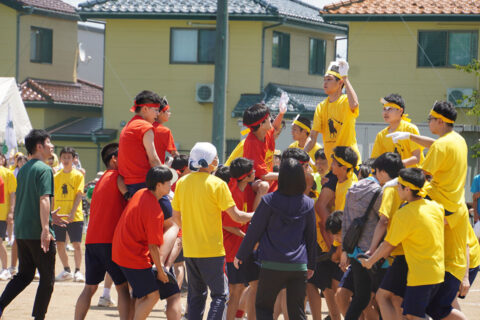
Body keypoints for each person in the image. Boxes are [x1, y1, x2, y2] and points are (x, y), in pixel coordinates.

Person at [389, 101, 469, 320]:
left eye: (430, 119)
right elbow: (434, 144)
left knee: (404, 207)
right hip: (452, 204)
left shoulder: (442, 146)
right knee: (436, 310)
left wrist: (393, 179)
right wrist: (409, 137)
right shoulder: (457, 140)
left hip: (438, 202)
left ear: (440, 121)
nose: (428, 122)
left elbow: (419, 176)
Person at [171, 142, 253, 320]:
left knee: (196, 295)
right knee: (220, 294)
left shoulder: (182, 183)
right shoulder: (217, 184)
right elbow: (237, 217)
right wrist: (258, 214)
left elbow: (176, 217)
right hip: (212, 250)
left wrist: (190, 229)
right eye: (215, 157)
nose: (217, 160)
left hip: (191, 248)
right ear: (207, 162)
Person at [235, 158, 316, 319]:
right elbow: (311, 238)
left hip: (271, 264)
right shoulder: (308, 204)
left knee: (264, 307)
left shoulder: (268, 201)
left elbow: (254, 231)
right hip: (298, 266)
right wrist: (311, 265)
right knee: (297, 311)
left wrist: (241, 255)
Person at [361, 168, 445, 320]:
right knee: (409, 314)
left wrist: (369, 262)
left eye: (399, 185)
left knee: (413, 316)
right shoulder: (436, 207)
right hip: (437, 271)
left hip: (421, 274)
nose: (396, 188)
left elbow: (388, 245)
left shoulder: (404, 214)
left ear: (407, 189)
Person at [0, 129, 65, 320]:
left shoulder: (24, 169)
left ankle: (1, 305)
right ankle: (39, 317)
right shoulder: (44, 169)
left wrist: (49, 217)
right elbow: (44, 198)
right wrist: (46, 228)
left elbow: (28, 201)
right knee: (47, 279)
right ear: (39, 146)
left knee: (25, 274)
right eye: (49, 142)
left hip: (22, 231)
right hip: (38, 233)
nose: (52, 146)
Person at [74, 143, 132, 320]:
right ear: (114, 159)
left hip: (92, 241)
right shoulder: (117, 177)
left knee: (90, 288)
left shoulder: (100, 181)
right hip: (109, 241)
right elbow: (129, 198)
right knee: (122, 287)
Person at [112, 166, 177, 320]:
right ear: (159, 185)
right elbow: (153, 246)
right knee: (153, 295)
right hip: (132, 256)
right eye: (168, 182)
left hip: (120, 251)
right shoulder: (155, 210)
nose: (170, 185)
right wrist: (161, 272)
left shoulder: (141, 193)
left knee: (141, 296)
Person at [366, 153, 405, 320]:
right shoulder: (408, 183)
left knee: (382, 296)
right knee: (397, 299)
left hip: (397, 249)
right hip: (412, 248)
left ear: (382, 171)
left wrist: (372, 249)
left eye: (376, 172)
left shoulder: (390, 187)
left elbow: (383, 220)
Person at [222, 157, 261, 320]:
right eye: (251, 171)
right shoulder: (233, 192)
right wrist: (247, 238)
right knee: (235, 289)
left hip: (243, 247)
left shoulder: (246, 189)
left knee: (252, 285)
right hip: (233, 249)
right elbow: (227, 225)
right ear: (245, 176)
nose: (254, 172)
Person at [305, 59, 360, 164]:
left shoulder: (345, 101)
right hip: (333, 164)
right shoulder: (321, 107)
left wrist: (345, 78)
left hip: (349, 163)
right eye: (324, 80)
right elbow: (312, 137)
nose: (325, 83)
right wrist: (303, 154)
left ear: (340, 83)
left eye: (329, 79)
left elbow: (354, 104)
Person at [53, 147, 85, 282]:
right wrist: (52, 213)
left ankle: (78, 271)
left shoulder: (78, 175)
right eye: (64, 157)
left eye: (69, 157)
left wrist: (72, 212)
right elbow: (52, 196)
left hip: (75, 216)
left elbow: (79, 195)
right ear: (60, 159)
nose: (66, 160)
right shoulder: (55, 176)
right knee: (60, 244)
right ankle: (67, 270)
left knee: (77, 244)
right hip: (59, 216)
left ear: (73, 159)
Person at [242, 99, 287, 194]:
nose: (271, 119)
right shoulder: (252, 143)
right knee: (264, 186)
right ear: (261, 124)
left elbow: (274, 127)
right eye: (268, 118)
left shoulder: (264, 132)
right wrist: (288, 174)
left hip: (265, 178)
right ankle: (257, 210)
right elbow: (263, 176)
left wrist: (281, 113)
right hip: (252, 182)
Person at [371, 94, 424, 167]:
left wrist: (396, 165)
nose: (385, 112)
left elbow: (417, 158)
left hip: (412, 176)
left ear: (400, 111)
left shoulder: (410, 129)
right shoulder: (381, 135)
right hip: (392, 177)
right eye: (384, 109)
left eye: (389, 108)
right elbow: (375, 160)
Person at [0, 162, 16, 280]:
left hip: (1, 214)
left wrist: (11, 211)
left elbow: (12, 194)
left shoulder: (7, 173)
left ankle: (5, 269)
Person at [331, 146, 358, 211]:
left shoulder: (349, 189)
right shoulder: (344, 178)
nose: (331, 165)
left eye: (334, 163)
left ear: (344, 168)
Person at [153, 96, 179, 164]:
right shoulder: (164, 131)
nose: (169, 114)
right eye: (168, 111)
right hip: (156, 170)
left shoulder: (143, 126)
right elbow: (174, 154)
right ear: (160, 113)